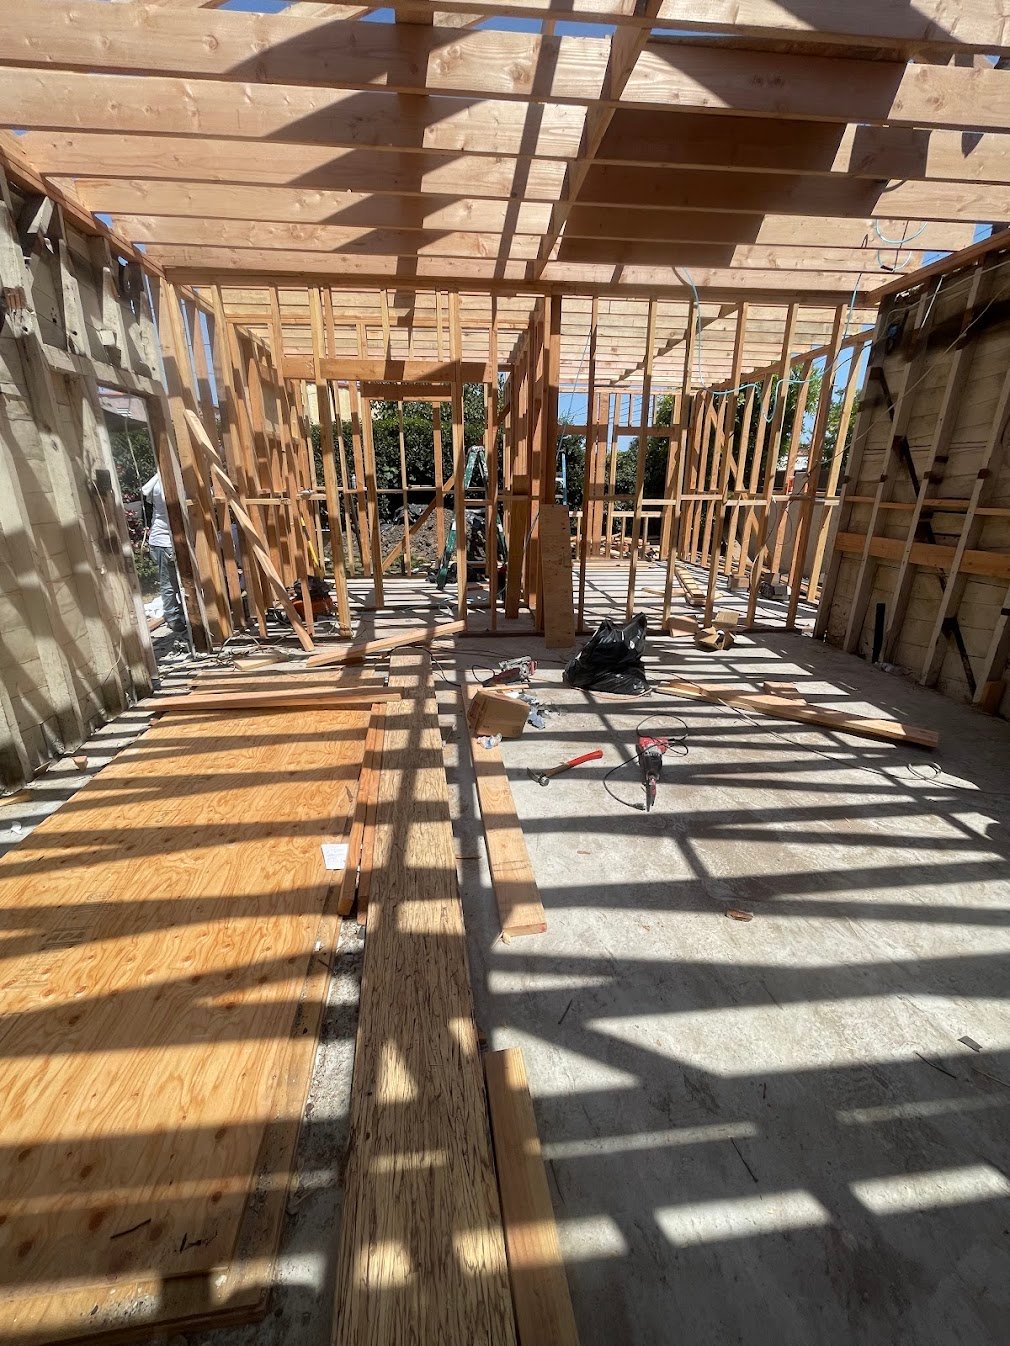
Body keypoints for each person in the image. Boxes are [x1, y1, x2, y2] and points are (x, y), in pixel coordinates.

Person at [141, 471, 188, 639]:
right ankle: (173, 617)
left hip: (163, 541)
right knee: (170, 583)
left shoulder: (159, 482)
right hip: (164, 542)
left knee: (175, 582)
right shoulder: (166, 487)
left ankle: (179, 612)